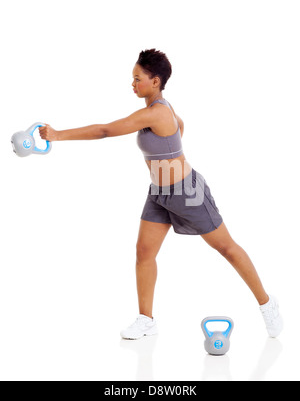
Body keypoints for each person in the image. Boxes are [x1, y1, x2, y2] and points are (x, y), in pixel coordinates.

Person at [39, 48, 283, 340]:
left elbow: (105, 130)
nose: (132, 83)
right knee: (144, 253)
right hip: (159, 192)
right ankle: (146, 320)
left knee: (227, 248)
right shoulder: (164, 107)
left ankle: (267, 305)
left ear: (155, 81)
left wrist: (58, 135)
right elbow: (181, 125)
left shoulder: (154, 112)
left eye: (137, 78)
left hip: (186, 192)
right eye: (132, 78)